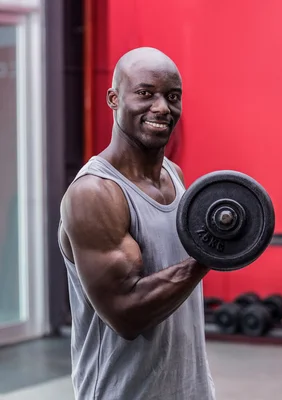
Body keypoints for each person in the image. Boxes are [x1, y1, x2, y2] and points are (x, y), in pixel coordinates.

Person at [58, 47, 216, 400]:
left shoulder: (173, 176)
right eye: (145, 93)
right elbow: (125, 314)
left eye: (172, 96)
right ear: (114, 99)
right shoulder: (95, 193)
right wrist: (208, 256)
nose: (162, 107)